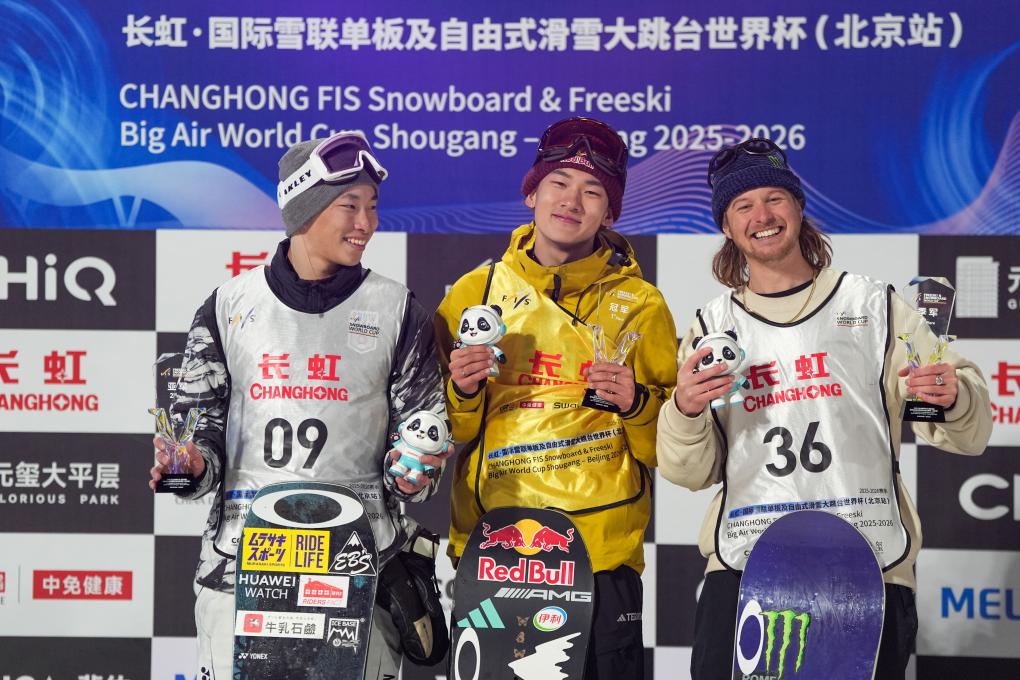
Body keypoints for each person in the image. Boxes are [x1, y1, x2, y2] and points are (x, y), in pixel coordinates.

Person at [655, 138, 993, 680]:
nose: (762, 216)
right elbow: (689, 472)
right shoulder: (712, 327)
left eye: (775, 199)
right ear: (726, 226)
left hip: (867, 560)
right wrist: (684, 410)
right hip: (747, 563)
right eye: (743, 205)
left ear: (798, 207)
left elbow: (967, 431)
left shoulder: (873, 304)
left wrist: (951, 395)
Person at [148, 131, 449, 680]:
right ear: (303, 210)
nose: (366, 223)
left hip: (361, 567)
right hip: (244, 565)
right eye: (349, 206)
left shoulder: (399, 310)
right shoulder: (228, 307)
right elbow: (198, 439)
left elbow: (419, 442)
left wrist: (415, 472)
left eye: (373, 206)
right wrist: (188, 467)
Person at [435, 117, 678, 678]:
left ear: (610, 213)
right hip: (497, 548)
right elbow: (447, 432)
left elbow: (668, 448)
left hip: (600, 555)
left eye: (593, 191)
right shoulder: (476, 292)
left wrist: (637, 404)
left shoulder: (641, 303)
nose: (571, 201)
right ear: (531, 194)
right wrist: (463, 389)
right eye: (559, 183)